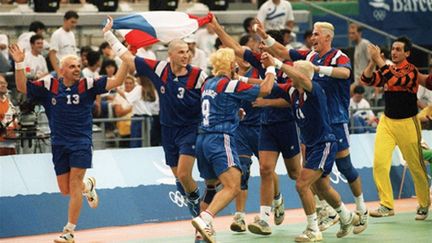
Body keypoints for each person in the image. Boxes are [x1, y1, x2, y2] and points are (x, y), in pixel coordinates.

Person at [8, 20, 128, 242]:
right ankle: (87, 186)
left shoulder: (88, 85)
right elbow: (23, 87)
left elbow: (119, 80)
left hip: (81, 142)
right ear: (61, 70)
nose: (76, 69)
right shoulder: (49, 86)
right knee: (65, 189)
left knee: (73, 185)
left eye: (77, 66)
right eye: (71, 67)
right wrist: (18, 65)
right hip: (59, 143)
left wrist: (126, 59)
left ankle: (69, 231)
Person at [256, 21, 368, 233]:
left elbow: (345, 74)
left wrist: (316, 69)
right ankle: (335, 213)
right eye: (312, 34)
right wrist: (264, 36)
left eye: (316, 34)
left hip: (335, 119)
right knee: (316, 178)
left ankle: (361, 210)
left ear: (327, 37)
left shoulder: (338, 56)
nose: (312, 38)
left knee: (344, 167)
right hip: (314, 123)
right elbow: (282, 51)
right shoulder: (309, 56)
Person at [102, 17, 207, 220]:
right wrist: (108, 35)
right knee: (178, 178)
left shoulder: (198, 75)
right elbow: (128, 58)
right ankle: (194, 206)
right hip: (167, 129)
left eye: (188, 52)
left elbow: (212, 95)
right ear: (170, 55)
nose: (186, 55)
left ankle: (195, 201)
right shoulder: (160, 69)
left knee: (185, 175)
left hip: (190, 129)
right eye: (181, 52)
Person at [209, 16, 302, 235]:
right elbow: (234, 46)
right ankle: (248, 217)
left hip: (280, 124)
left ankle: (295, 202)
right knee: (258, 170)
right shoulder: (254, 66)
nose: (258, 48)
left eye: (262, 44)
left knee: (295, 174)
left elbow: (289, 96)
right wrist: (218, 28)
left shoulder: (289, 67)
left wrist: (265, 101)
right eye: (258, 45)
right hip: (253, 127)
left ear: (274, 47)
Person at [271, 57, 360, 242]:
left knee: (302, 185)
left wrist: (279, 64)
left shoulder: (315, 90)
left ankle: (313, 229)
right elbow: (270, 88)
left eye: (293, 71)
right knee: (322, 187)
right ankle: (346, 217)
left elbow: (303, 79)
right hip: (311, 145)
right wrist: (241, 80)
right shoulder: (293, 91)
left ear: (301, 75)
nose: (288, 75)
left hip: (324, 143)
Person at [191, 48, 275, 243]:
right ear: (231, 65)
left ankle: (200, 235)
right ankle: (205, 219)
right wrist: (270, 69)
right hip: (220, 138)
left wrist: (234, 113)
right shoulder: (230, 85)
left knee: (211, 187)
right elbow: (265, 90)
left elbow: (216, 105)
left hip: (202, 139)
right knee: (234, 185)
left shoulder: (207, 84)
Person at [361, 37, 431, 220]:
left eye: (399, 49)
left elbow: (397, 80)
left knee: (416, 166)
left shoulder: (412, 71)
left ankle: (424, 204)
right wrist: (371, 62)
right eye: (393, 49)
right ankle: (386, 205)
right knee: (379, 163)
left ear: (407, 53)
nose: (394, 52)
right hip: (387, 122)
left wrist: (379, 61)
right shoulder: (387, 69)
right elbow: (366, 80)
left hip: (407, 123)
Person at [229, 47, 262, 233]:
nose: (244, 59)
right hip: (241, 129)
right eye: (240, 55)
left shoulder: (257, 72)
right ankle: (240, 217)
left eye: (246, 55)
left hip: (261, 127)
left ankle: (276, 199)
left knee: (267, 169)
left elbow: (265, 87)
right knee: (242, 171)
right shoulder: (227, 75)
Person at [0, 74, 17, 156]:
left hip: (11, 144)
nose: (3, 85)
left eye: (4, 83)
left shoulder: (9, 102)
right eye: (0, 83)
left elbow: (15, 122)